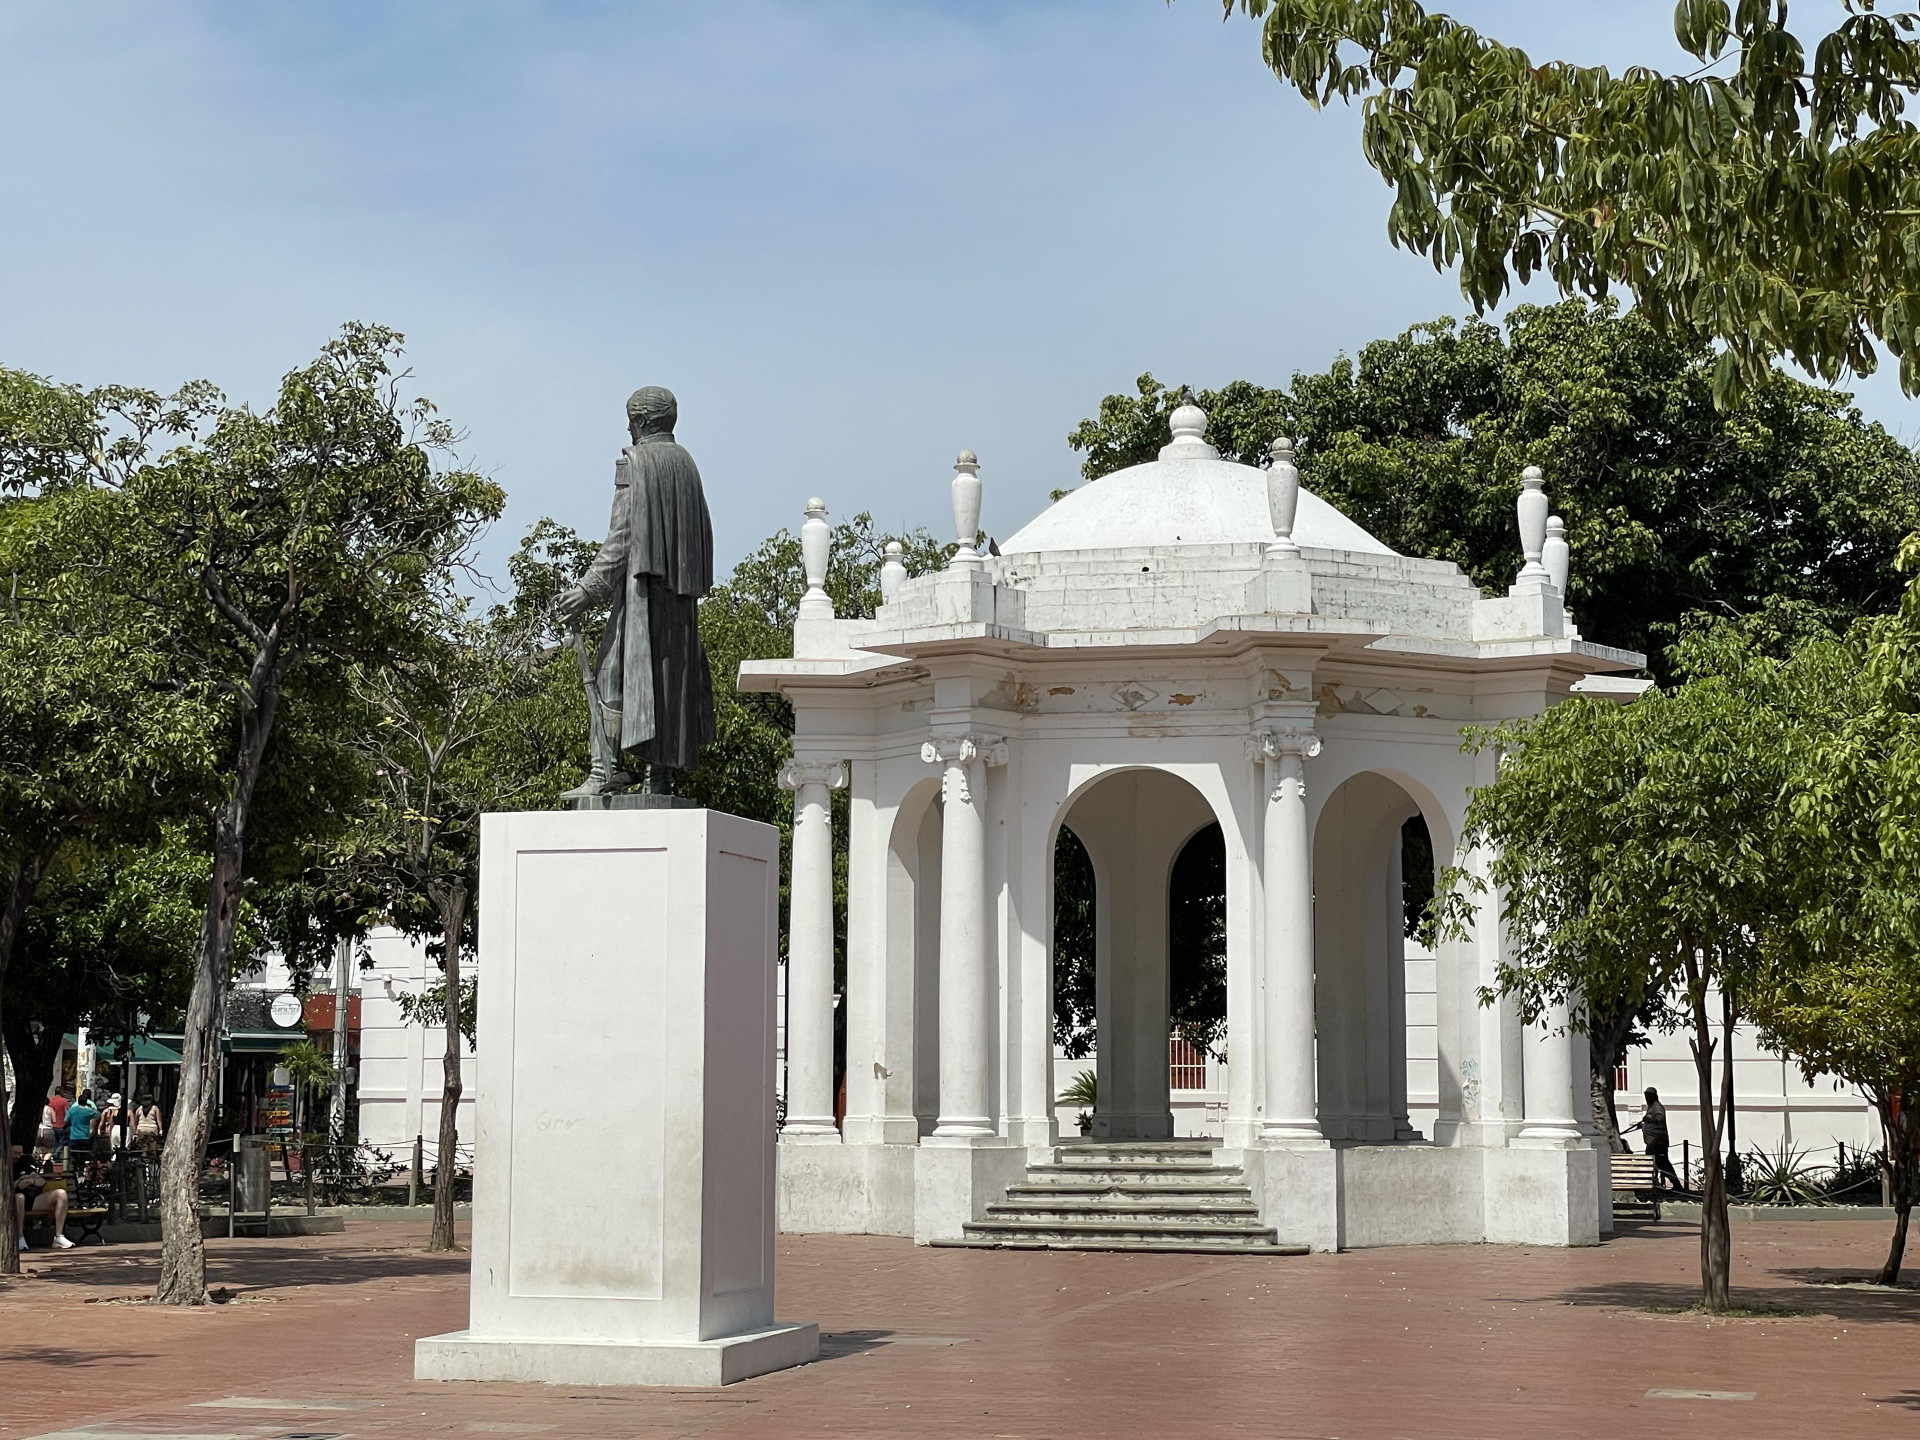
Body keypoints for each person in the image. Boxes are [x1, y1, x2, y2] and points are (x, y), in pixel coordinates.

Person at [12, 1145, 74, 1250]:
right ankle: (20, 1237)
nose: (18, 1156)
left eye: (20, 1153)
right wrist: (17, 1182)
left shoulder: (22, 1165)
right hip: (12, 1202)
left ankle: (59, 1237)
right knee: (20, 1197)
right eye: (15, 1153)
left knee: (61, 1193)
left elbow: (42, 1181)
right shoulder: (4, 1166)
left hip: (31, 1201)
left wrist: (31, 1181)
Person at [1623, 1086, 1683, 1190]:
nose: (1646, 1099)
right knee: (1654, 1164)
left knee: (1661, 1164)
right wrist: (1643, 1125)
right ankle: (1656, 1184)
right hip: (1652, 1142)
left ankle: (1674, 1185)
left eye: (1648, 1096)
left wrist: (1649, 1119)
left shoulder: (1657, 1107)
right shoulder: (1651, 1107)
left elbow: (1659, 1118)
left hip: (1657, 1142)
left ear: (1653, 1096)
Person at [65, 1089, 100, 1176]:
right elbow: (98, 1114)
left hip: (73, 1136)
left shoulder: (72, 1110)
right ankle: (81, 1169)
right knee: (83, 1154)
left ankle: (74, 1169)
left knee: (74, 1154)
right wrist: (91, 1107)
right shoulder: (88, 1111)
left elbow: (66, 1120)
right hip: (84, 1135)